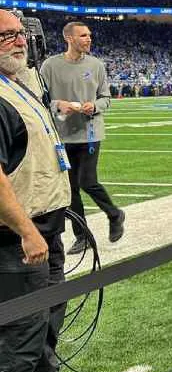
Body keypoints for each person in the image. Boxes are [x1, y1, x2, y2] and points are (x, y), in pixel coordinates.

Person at [0, 10, 88, 372]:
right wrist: (26, 230)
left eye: (20, 34)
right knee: (22, 322)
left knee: (48, 313)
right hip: (18, 234)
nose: (18, 42)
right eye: (7, 36)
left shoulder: (20, 84)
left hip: (45, 224)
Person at [39, 21, 125, 255]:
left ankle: (115, 214)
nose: (89, 39)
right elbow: (40, 97)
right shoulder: (49, 66)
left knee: (87, 181)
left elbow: (106, 97)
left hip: (90, 133)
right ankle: (81, 236)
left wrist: (94, 106)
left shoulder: (96, 65)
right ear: (69, 38)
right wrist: (59, 105)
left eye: (89, 35)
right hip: (62, 136)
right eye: (83, 35)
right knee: (71, 189)